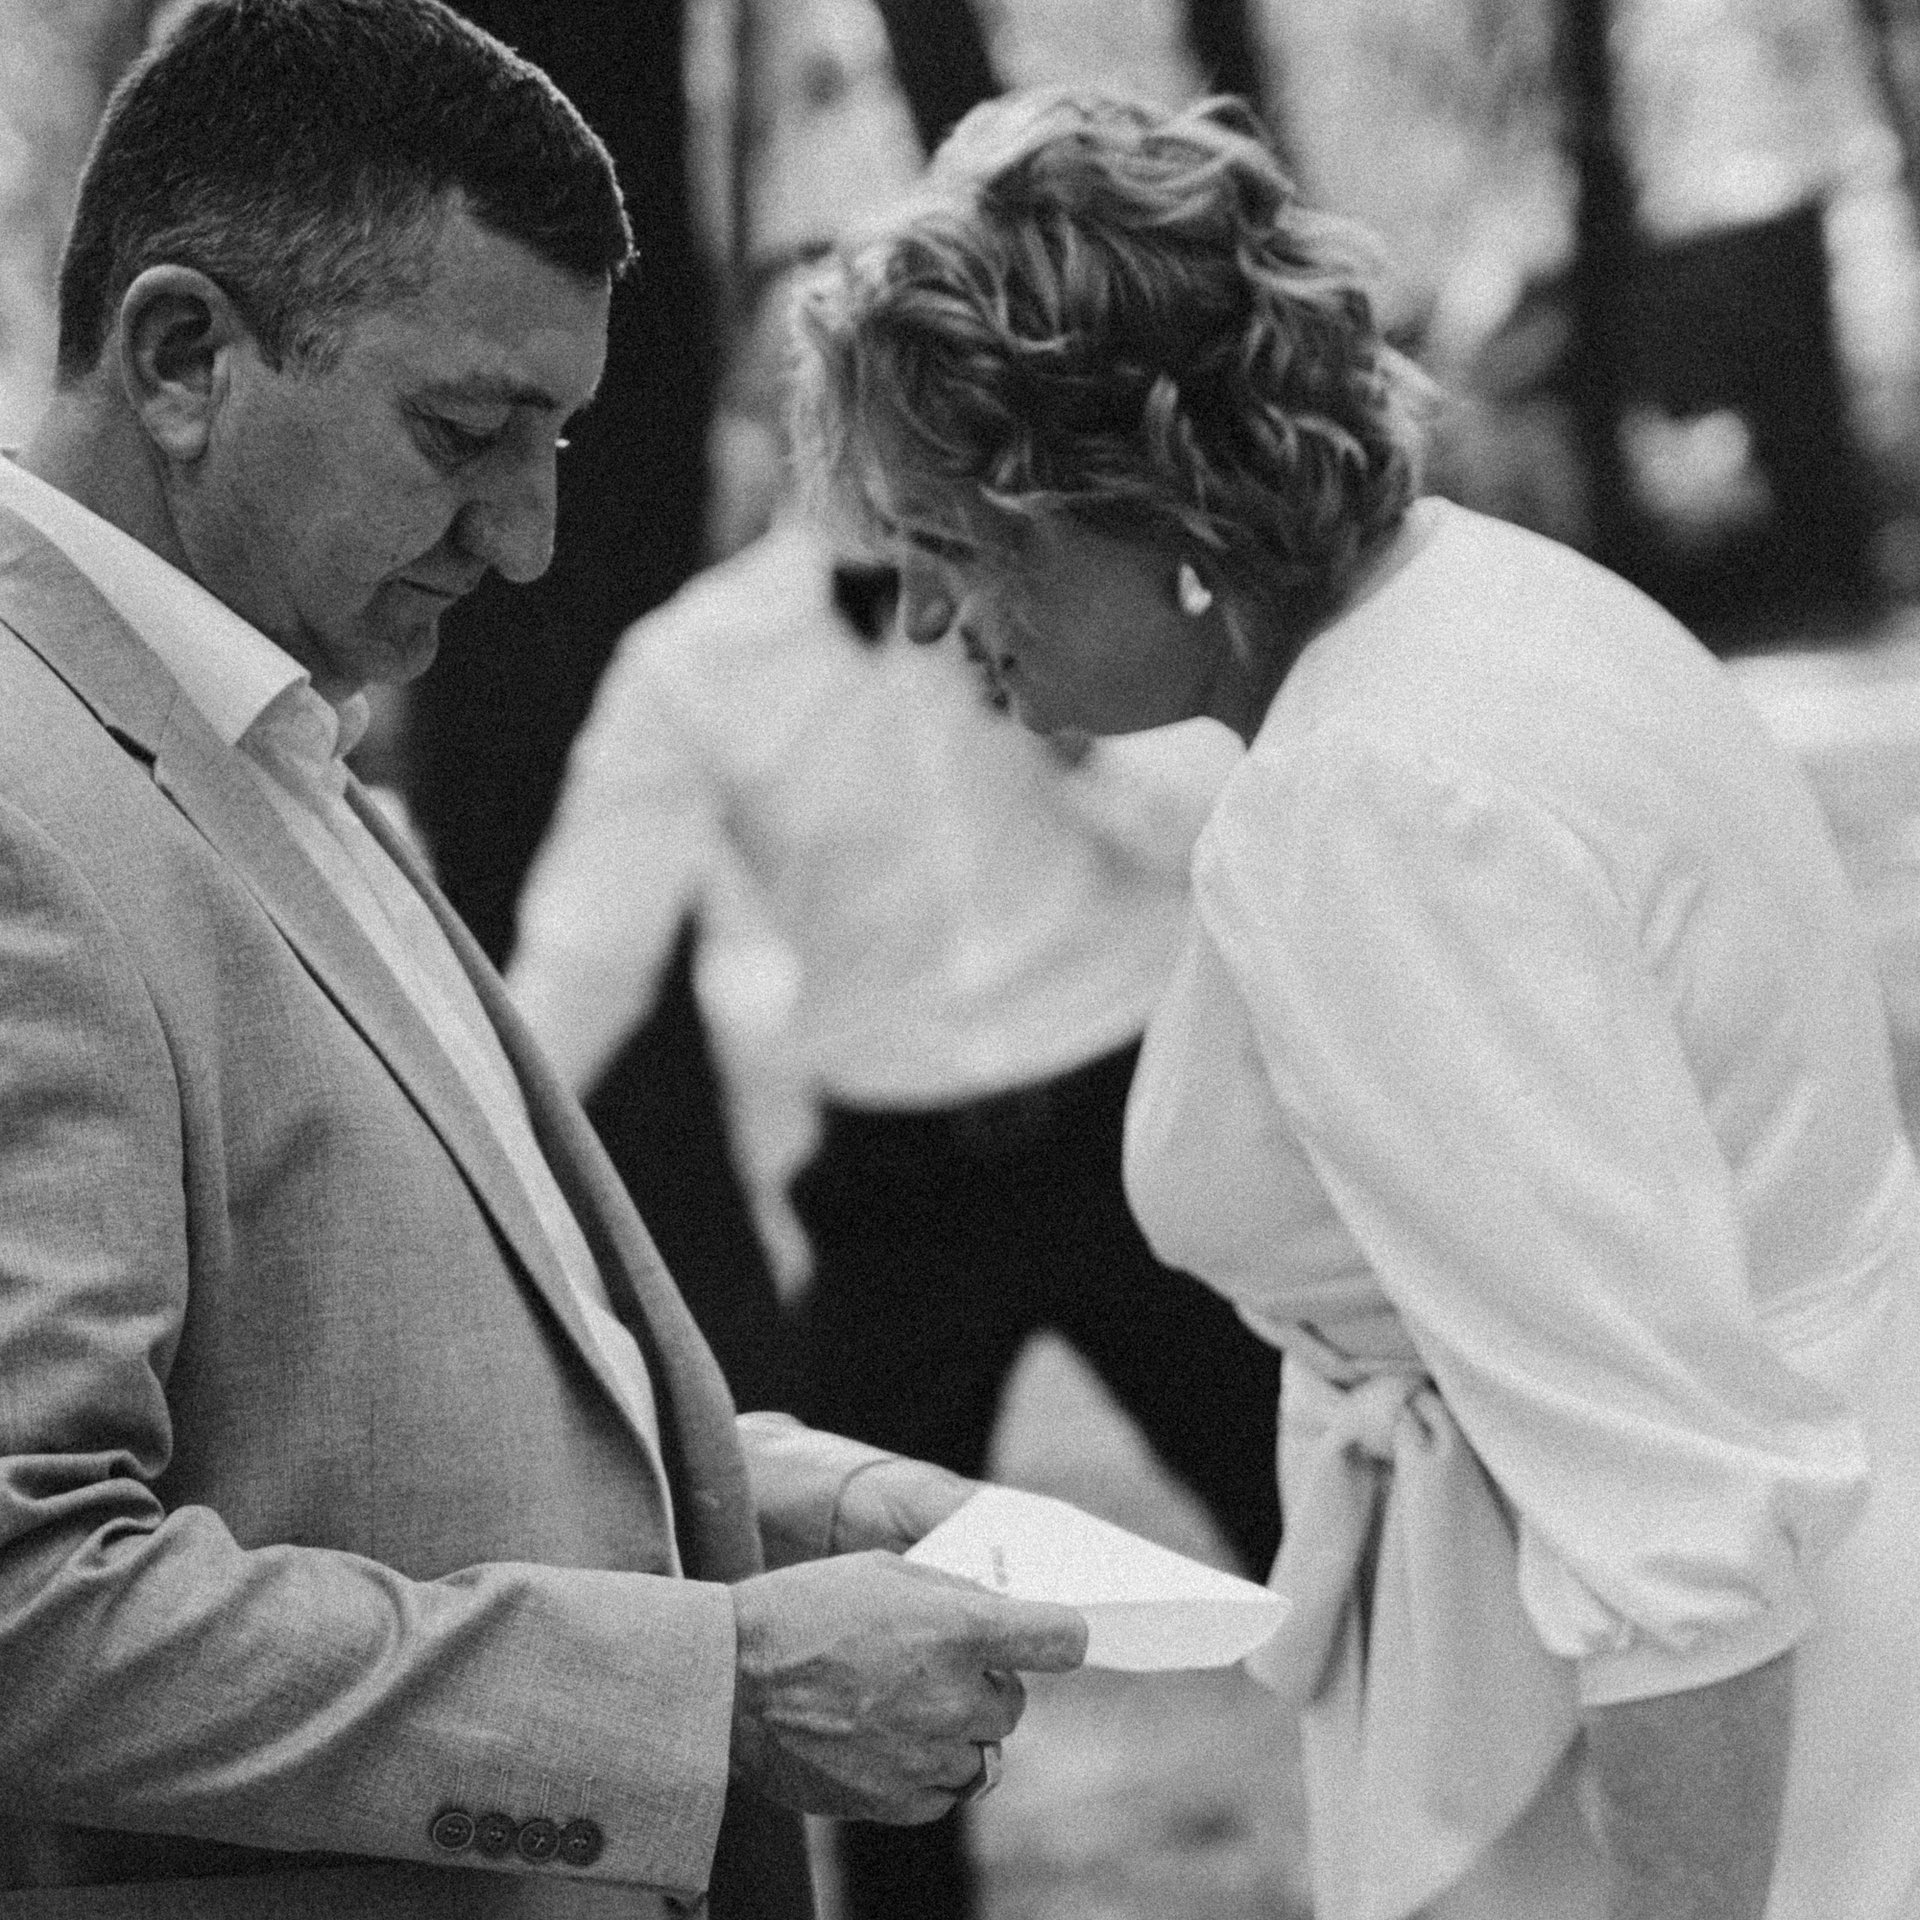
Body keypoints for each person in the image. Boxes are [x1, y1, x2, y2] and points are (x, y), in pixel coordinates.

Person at [0, 6, 1090, 1915]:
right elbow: (31, 1605)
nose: (525, 538)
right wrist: (711, 1693)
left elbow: (340, 1412)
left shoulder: (256, 730)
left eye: (558, 443)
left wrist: (745, 1494)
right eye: (464, 435)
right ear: (182, 359)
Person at [788, 86, 1920, 1920]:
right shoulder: (1482, 606)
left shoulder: (1365, 810)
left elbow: (1676, 1527)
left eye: (949, 542)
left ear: (1123, 492)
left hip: (1689, 1760)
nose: (923, 614)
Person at [507, 262, 1283, 1920]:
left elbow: (1238, 835)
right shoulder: (690, 666)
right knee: (873, 1625)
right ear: (770, 422)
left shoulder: (1090, 583)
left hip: (1134, 1133)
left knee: (1315, 1529)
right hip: (899, 1189)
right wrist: (466, 1158)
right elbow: (584, 958)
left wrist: (1074, 735)